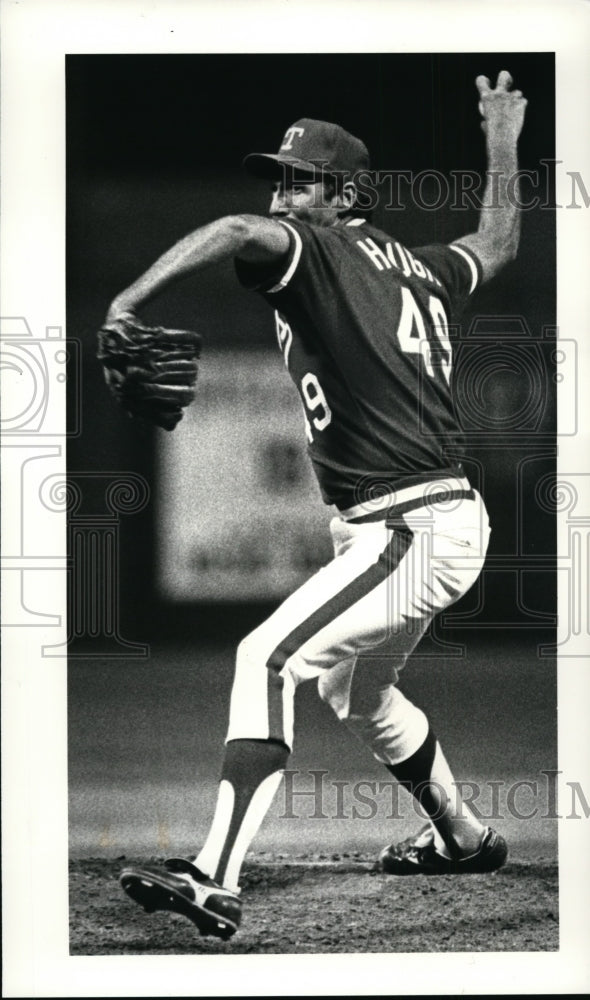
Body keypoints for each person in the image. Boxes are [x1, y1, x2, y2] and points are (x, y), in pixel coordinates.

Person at [113, 71, 527, 940]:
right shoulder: (419, 267)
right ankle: (463, 837)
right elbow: (496, 242)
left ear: (346, 196)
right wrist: (500, 136)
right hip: (420, 519)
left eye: (300, 181)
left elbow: (233, 229)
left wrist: (126, 300)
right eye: (279, 178)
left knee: (267, 658)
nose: (282, 195)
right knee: (359, 690)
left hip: (411, 522)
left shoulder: (326, 249)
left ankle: (212, 877)